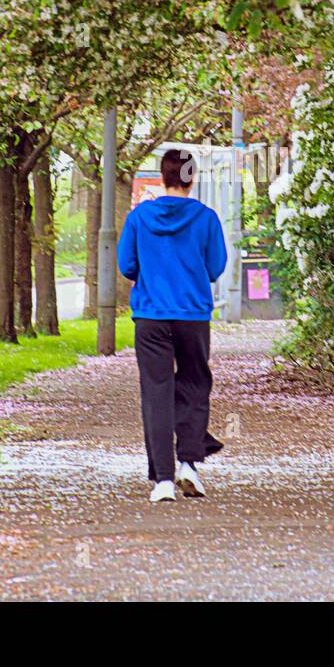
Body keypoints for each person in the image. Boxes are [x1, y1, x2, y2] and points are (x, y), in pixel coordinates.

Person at [117, 148, 228, 503]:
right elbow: (215, 267)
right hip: (192, 315)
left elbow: (127, 265)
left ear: (162, 177)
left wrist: (152, 275)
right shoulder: (206, 218)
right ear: (192, 179)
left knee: (156, 392)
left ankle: (162, 480)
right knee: (194, 385)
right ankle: (190, 465)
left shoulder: (139, 218)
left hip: (151, 316)